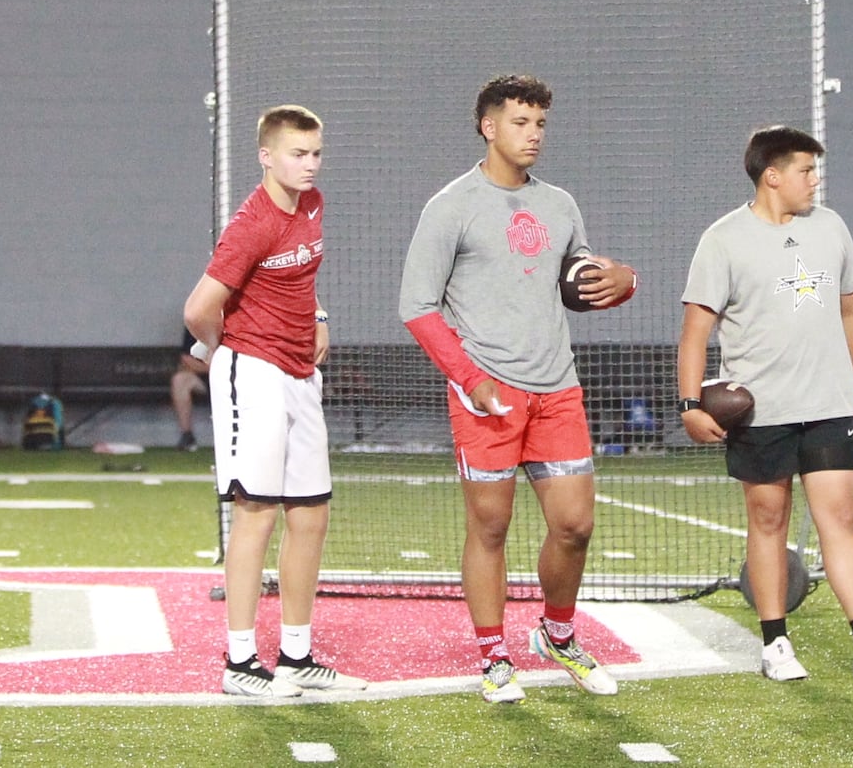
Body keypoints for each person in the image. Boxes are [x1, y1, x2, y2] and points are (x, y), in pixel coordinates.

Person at [398, 73, 637, 704]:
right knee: (491, 527)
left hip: (557, 388)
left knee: (575, 526)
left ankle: (556, 637)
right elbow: (417, 307)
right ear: (489, 127)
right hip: (488, 391)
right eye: (520, 123)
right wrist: (470, 380)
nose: (533, 135)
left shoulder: (559, 204)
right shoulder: (450, 205)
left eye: (540, 124)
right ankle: (493, 655)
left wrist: (622, 279)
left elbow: (579, 279)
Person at [677, 125, 853, 685]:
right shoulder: (722, 239)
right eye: (805, 171)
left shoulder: (831, 226)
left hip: (828, 406)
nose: (815, 181)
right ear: (772, 176)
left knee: (841, 519)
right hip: (760, 412)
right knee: (768, 520)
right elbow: (696, 331)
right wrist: (690, 404)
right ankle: (776, 646)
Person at [183, 104, 364, 698]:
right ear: (266, 155)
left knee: (310, 512)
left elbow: (300, 279)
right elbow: (198, 309)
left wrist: (317, 316)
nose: (309, 165)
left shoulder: (313, 203)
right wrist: (224, 349)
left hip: (298, 374)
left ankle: (296, 655)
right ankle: (239, 663)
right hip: (252, 373)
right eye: (297, 154)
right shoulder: (252, 223)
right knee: (255, 512)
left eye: (316, 154)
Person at [170, 328, 208, 451]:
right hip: (207, 376)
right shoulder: (195, 323)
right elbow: (186, 359)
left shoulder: (237, 323)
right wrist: (214, 368)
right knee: (180, 380)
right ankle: (187, 436)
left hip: (234, 377)